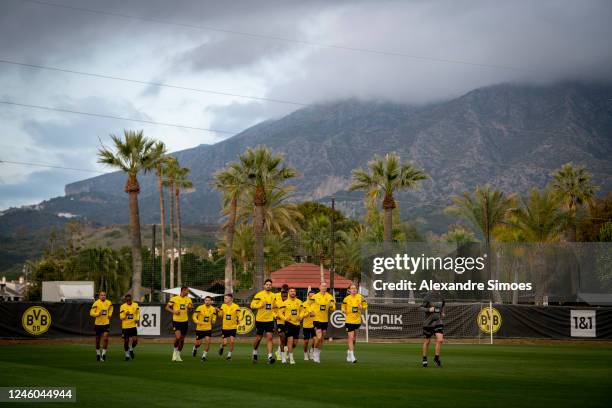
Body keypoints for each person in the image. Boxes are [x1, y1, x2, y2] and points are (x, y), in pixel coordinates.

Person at [250, 278, 277, 364]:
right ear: (264, 286)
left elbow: (275, 307)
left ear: (271, 286)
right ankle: (254, 352)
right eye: (267, 284)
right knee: (259, 338)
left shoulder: (274, 296)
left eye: (270, 285)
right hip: (260, 320)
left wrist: (275, 315)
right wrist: (261, 304)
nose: (268, 286)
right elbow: (252, 305)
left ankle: (270, 357)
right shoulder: (259, 295)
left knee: (270, 338)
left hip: (269, 320)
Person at [165, 286, 193, 362]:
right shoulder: (174, 298)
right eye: (187, 291)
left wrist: (190, 308)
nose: (188, 292)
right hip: (176, 321)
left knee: (182, 339)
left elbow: (190, 309)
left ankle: (178, 354)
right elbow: (167, 307)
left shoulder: (188, 299)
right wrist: (174, 311)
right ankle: (174, 352)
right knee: (178, 337)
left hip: (185, 321)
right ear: (183, 291)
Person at [341, 283, 367, 363]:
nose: (354, 289)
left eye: (355, 288)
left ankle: (349, 352)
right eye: (352, 288)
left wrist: (362, 307)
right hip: (349, 320)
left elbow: (365, 306)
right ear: (349, 290)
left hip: (357, 320)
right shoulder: (346, 299)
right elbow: (343, 308)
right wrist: (344, 311)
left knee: (354, 339)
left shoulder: (360, 297)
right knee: (351, 338)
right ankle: (352, 356)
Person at [311, 282, 336, 363]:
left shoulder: (329, 296)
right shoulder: (315, 296)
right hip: (316, 319)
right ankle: (314, 351)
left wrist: (332, 306)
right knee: (318, 336)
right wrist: (310, 311)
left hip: (324, 320)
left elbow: (333, 306)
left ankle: (318, 353)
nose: (324, 287)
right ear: (319, 287)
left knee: (322, 338)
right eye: (322, 286)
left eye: (325, 286)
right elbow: (309, 305)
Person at [420, 290, 445, 367]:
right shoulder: (427, 298)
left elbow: (443, 306)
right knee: (427, 341)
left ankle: (436, 358)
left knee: (440, 340)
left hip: (438, 321)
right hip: (428, 322)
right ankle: (424, 359)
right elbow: (421, 307)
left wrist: (442, 312)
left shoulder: (441, 298)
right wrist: (428, 309)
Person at [90, 291, 113, 362]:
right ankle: (98, 354)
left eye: (104, 295)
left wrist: (109, 314)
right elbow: (91, 313)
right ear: (99, 296)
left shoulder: (109, 302)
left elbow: (111, 308)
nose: (103, 296)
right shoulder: (96, 303)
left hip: (106, 323)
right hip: (98, 324)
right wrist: (98, 313)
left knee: (106, 338)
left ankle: (103, 354)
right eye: (102, 295)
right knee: (97, 341)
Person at [282, 287, 303, 365]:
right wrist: (285, 318)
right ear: (288, 293)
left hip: (297, 324)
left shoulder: (299, 302)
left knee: (295, 343)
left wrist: (301, 316)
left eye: (294, 291)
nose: (293, 292)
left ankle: (285, 352)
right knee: (290, 341)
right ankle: (291, 358)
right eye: (291, 291)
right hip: (289, 324)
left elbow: (302, 311)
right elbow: (280, 313)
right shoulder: (285, 302)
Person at [192, 295, 217, 361]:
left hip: (208, 328)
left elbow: (214, 316)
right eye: (206, 300)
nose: (207, 302)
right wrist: (197, 321)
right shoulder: (199, 308)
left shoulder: (213, 309)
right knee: (198, 343)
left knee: (207, 342)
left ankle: (204, 356)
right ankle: (195, 348)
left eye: (209, 300)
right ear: (204, 301)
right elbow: (194, 316)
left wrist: (214, 320)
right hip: (200, 329)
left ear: (211, 301)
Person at [217, 293, 240, 361]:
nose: (225, 299)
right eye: (224, 298)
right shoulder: (223, 306)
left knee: (232, 341)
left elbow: (239, 315)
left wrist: (238, 319)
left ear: (231, 299)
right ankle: (222, 346)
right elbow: (220, 315)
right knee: (225, 343)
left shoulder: (236, 306)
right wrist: (218, 311)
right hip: (225, 327)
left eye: (226, 298)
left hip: (233, 327)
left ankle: (229, 355)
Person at [119, 294, 140, 361]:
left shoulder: (135, 305)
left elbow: (138, 313)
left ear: (131, 299)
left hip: (133, 326)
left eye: (129, 299)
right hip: (125, 326)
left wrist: (137, 319)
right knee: (126, 341)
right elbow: (121, 317)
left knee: (135, 341)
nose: (128, 300)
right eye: (127, 300)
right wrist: (125, 314)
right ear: (125, 300)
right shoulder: (122, 306)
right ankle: (127, 355)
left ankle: (131, 349)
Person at [274, 286, 289, 363]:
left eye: (286, 291)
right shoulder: (276, 296)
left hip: (288, 321)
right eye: (283, 291)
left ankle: (279, 351)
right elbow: (273, 308)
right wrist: (275, 315)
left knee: (286, 338)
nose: (284, 293)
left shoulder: (289, 298)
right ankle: (280, 353)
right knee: (282, 336)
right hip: (279, 320)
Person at [301, 291, 316, 361]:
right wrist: (308, 313)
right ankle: (305, 353)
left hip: (315, 325)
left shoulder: (316, 304)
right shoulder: (304, 304)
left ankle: (311, 351)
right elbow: (302, 315)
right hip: (306, 325)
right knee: (306, 341)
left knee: (315, 340)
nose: (312, 297)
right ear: (308, 296)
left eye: (313, 296)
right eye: (310, 296)